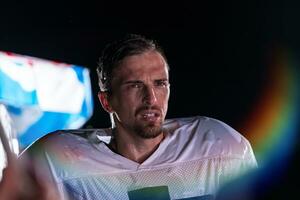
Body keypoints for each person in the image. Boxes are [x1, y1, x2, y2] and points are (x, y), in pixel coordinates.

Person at [20, 34, 257, 200]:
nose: (151, 98)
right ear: (106, 101)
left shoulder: (218, 145)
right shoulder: (55, 158)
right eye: (135, 85)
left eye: (160, 84)